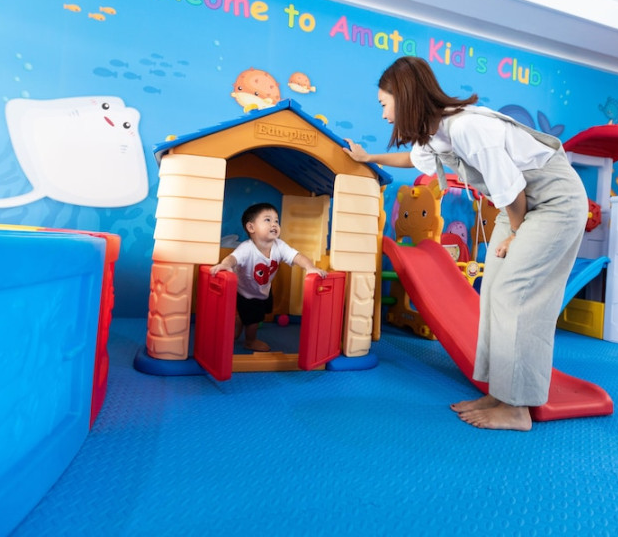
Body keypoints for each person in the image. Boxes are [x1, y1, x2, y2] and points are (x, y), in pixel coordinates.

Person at [343, 56, 587, 431]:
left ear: (403, 97)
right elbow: (413, 158)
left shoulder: (468, 127)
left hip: (553, 201)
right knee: (491, 291)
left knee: (514, 292)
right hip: (518, 203)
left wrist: (515, 234)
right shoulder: (435, 133)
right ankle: (499, 392)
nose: (384, 114)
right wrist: (369, 156)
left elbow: (513, 191)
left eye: (384, 104)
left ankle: (517, 407)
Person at [210, 202, 327, 352]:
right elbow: (233, 258)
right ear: (251, 227)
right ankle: (250, 341)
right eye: (267, 220)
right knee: (254, 319)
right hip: (245, 293)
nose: (274, 224)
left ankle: (240, 320)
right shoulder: (247, 248)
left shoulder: (279, 246)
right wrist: (225, 264)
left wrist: (310, 267)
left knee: (258, 314)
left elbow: (297, 256)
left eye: (276, 221)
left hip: (264, 289)